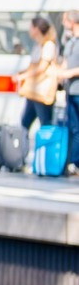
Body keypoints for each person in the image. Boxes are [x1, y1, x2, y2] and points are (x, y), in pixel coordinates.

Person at [14, 14, 59, 140]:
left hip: (42, 91)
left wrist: (23, 76)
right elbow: (33, 66)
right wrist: (22, 73)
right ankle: (20, 155)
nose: (29, 30)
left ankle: (47, 154)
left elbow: (42, 68)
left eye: (31, 27)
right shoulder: (38, 46)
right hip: (33, 91)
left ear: (37, 29)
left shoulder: (48, 45)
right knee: (24, 123)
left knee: (45, 124)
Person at [59, 10, 79, 176]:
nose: (63, 23)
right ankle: (72, 162)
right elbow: (65, 62)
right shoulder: (70, 41)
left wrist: (68, 73)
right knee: (73, 127)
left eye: (64, 20)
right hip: (70, 90)